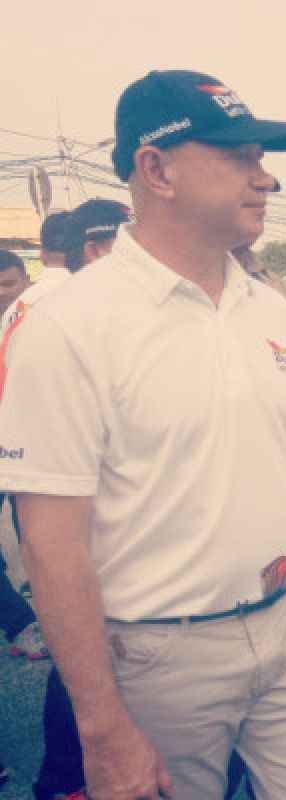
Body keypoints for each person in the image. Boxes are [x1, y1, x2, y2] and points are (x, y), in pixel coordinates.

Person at [0, 69, 286, 800]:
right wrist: (102, 724)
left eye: (261, 161)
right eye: (238, 157)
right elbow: (50, 545)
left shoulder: (268, 307)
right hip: (159, 656)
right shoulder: (69, 328)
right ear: (157, 168)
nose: (264, 179)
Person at [20, 199, 134, 800]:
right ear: (94, 248)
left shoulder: (48, 306)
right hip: (69, 491)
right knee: (84, 634)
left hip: (62, 485)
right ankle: (67, 779)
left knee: (89, 635)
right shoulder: (57, 309)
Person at [0, 249, 44, 659]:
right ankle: (22, 624)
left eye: (9, 284)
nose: (2, 294)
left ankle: (46, 625)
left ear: (26, 281)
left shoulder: (37, 321)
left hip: (29, 451)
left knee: (41, 540)